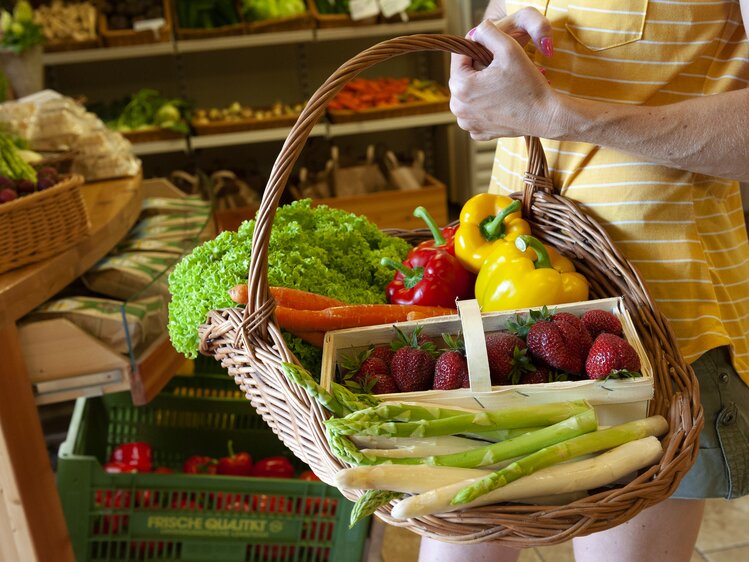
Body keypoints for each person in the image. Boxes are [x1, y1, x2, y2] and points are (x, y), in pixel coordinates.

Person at [419, 1, 749, 561]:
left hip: (654, 324)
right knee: (457, 544)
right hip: (501, 287)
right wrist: (484, 57)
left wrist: (556, 113)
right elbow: (506, 15)